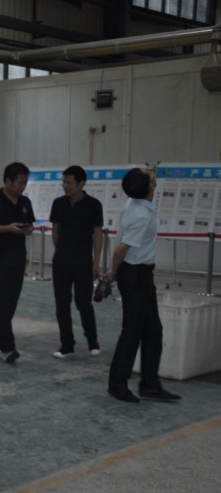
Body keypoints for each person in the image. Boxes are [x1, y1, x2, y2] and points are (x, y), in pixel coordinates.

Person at [106, 167, 180, 403]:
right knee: (132, 331)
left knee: (153, 331)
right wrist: (113, 273)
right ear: (149, 186)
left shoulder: (134, 202)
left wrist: (147, 177)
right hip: (134, 275)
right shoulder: (142, 216)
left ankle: (150, 385)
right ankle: (117, 384)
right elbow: (119, 251)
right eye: (149, 178)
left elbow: (140, 185)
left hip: (140, 275)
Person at [0, 162, 35, 364]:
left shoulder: (25, 202)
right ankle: (7, 347)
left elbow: (30, 226)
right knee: (2, 302)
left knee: (10, 304)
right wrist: (6, 228)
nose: (22, 186)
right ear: (8, 181)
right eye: (20, 182)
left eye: (25, 183)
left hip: (18, 260)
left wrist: (27, 230)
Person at [49, 166, 104, 358]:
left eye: (69, 182)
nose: (65, 185)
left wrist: (96, 262)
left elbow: (97, 234)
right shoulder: (58, 203)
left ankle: (92, 341)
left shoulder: (94, 205)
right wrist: (61, 250)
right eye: (64, 182)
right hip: (61, 262)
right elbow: (55, 230)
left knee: (83, 303)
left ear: (81, 183)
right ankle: (67, 345)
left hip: (83, 263)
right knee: (62, 305)